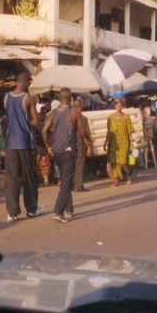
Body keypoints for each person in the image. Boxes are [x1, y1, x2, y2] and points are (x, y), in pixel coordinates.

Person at [42, 88, 90, 223]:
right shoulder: (74, 113)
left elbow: (44, 131)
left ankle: (69, 210)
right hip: (69, 150)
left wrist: (48, 146)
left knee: (65, 179)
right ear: (71, 98)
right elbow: (82, 132)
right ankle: (58, 211)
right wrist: (88, 142)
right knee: (66, 183)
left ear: (60, 97)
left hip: (57, 151)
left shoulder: (53, 113)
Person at [3, 73, 43, 222]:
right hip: (24, 142)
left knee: (11, 178)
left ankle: (12, 212)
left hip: (10, 143)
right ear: (26, 83)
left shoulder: (6, 97)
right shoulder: (29, 98)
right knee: (29, 177)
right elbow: (35, 121)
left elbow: (9, 117)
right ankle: (31, 209)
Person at [105, 99, 135, 187]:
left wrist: (131, 143)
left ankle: (126, 175)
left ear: (123, 106)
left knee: (123, 161)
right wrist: (105, 142)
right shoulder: (110, 117)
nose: (119, 107)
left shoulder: (126, 117)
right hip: (113, 142)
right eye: (117, 106)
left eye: (120, 106)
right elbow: (109, 131)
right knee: (114, 162)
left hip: (124, 142)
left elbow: (129, 131)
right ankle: (116, 180)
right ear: (115, 106)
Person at [73, 98, 93, 192]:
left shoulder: (69, 117)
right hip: (80, 145)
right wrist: (89, 146)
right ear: (81, 107)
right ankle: (79, 186)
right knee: (80, 165)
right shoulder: (83, 118)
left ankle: (72, 185)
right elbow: (86, 133)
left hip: (70, 145)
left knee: (72, 166)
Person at [34, 108, 53, 186]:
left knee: (39, 165)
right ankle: (46, 178)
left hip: (38, 149)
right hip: (45, 148)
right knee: (46, 164)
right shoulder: (46, 126)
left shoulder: (35, 127)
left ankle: (42, 179)